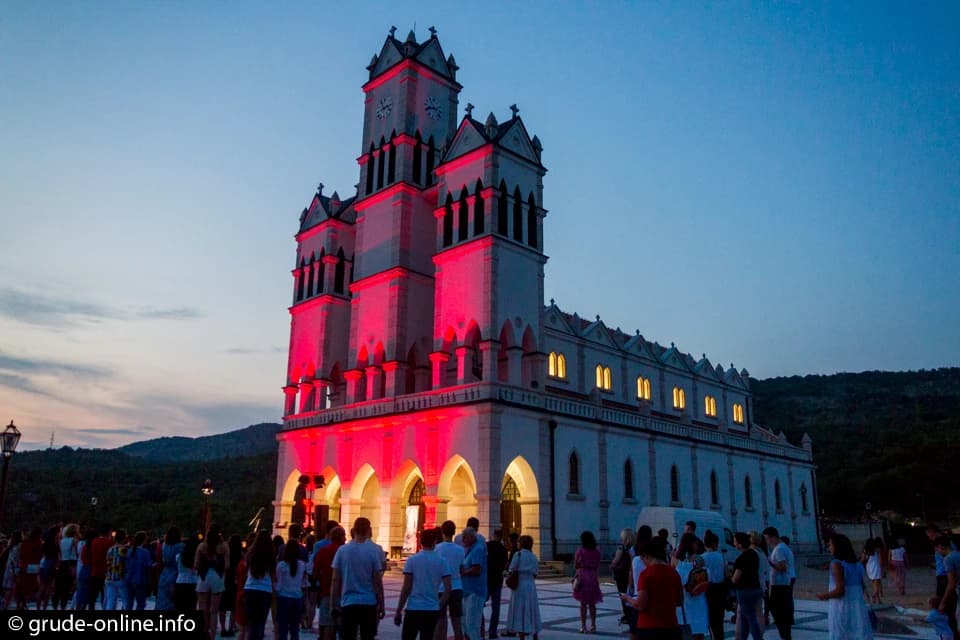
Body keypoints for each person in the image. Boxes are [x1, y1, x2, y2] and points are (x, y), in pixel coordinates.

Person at [330, 517, 386, 640]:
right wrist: (381, 604)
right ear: (368, 530)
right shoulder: (373, 551)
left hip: (348, 602)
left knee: (348, 636)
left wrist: (333, 604)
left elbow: (335, 580)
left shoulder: (342, 550)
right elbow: (377, 581)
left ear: (353, 530)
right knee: (367, 636)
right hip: (368, 602)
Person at [395, 528, 452, 640]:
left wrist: (398, 610)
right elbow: (448, 589)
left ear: (420, 541)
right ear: (435, 542)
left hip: (413, 608)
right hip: (431, 609)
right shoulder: (442, 561)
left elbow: (406, 588)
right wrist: (438, 605)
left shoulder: (412, 560)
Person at [621, 536, 683, 639]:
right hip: (671, 626)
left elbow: (640, 605)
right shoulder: (674, 573)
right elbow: (679, 601)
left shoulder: (646, 575)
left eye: (643, 559)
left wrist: (627, 598)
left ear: (647, 556)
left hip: (649, 627)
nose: (644, 563)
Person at [816, 534, 873, 640]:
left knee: (841, 634)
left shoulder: (836, 564)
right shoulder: (857, 565)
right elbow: (862, 588)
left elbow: (840, 591)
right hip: (857, 608)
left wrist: (824, 596)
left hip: (841, 607)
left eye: (831, 544)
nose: (829, 547)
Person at [196, 524, 230, 640]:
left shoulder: (202, 546)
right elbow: (227, 565)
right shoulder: (224, 546)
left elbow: (196, 564)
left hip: (203, 577)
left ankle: (204, 633)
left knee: (202, 609)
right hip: (218, 578)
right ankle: (212, 636)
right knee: (214, 611)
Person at [506, 535, 541, 639]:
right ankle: (535, 635)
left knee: (520, 610)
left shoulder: (518, 554)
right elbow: (535, 573)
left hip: (520, 585)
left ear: (521, 544)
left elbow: (511, 569)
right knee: (532, 609)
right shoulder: (533, 556)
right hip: (530, 585)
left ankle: (521, 635)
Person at [314, 526, 346, 640]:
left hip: (326, 592)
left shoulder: (323, 551)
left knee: (328, 624)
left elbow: (315, 572)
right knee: (344, 626)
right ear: (341, 537)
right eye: (344, 536)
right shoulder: (345, 552)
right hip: (344, 593)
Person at [435, 521, 465, 640]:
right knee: (457, 622)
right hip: (457, 587)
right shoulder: (460, 550)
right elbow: (462, 569)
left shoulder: (437, 548)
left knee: (440, 621)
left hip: (441, 588)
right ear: (454, 532)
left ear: (442, 532)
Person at [675, 533, 708, 640]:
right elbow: (709, 577)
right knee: (699, 633)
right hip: (699, 601)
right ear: (693, 544)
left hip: (686, 603)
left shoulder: (680, 564)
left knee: (688, 633)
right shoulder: (700, 561)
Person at [763, 527, 794, 640]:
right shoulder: (783, 547)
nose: (767, 542)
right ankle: (785, 635)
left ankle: (785, 635)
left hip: (780, 585)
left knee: (778, 611)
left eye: (767, 539)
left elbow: (782, 566)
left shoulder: (779, 549)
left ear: (773, 537)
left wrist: (769, 562)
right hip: (783, 584)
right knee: (780, 611)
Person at [244, 531, 277, 640]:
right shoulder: (271, 555)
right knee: (260, 622)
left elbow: (246, 569)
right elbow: (273, 575)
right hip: (265, 590)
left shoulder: (250, 554)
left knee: (251, 623)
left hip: (250, 588)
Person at [731, 532, 763, 640]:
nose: (734, 544)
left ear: (740, 544)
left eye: (735, 542)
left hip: (745, 590)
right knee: (745, 618)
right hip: (755, 588)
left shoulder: (742, 558)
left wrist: (728, 581)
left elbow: (736, 578)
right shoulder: (754, 554)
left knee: (750, 617)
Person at [276, 540, 308, 640]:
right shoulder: (302, 565)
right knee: (295, 629)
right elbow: (303, 582)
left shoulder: (281, 565)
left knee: (283, 628)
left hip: (283, 597)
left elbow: (278, 583)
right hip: (297, 597)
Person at [460, 527, 488, 640]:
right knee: (466, 624)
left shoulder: (478, 549)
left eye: (465, 537)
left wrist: (464, 572)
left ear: (471, 537)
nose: (462, 540)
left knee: (472, 624)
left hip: (475, 592)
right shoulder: (470, 550)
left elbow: (477, 569)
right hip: (468, 591)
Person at [573, 530, 603, 634]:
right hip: (593, 578)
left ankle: (583, 626)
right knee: (592, 604)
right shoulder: (597, 552)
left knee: (583, 604)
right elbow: (598, 565)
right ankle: (593, 625)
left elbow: (576, 565)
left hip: (583, 578)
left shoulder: (580, 551)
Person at [700, 530, 727, 640]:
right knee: (719, 620)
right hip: (720, 588)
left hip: (708, 589)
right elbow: (726, 573)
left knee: (711, 619)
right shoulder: (721, 556)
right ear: (716, 543)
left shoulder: (702, 557)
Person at [933, 536, 960, 638]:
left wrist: (943, 602)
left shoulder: (948, 559)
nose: (938, 552)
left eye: (937, 549)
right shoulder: (958, 554)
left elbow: (951, 584)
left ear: (940, 546)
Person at [487, 529, 509, 639]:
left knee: (480, 605)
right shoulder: (503, 549)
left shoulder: (487, 546)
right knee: (496, 607)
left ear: (493, 535)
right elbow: (505, 564)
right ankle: (492, 631)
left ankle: (480, 629)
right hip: (497, 580)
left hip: (487, 579)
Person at [612, 528, 636, 625]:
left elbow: (616, 561)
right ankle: (631, 614)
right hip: (630, 573)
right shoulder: (634, 548)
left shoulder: (622, 548)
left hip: (621, 574)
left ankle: (627, 615)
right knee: (631, 594)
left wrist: (613, 565)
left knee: (623, 595)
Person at [221, 534, 243, 637]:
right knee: (233, 607)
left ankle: (222, 628)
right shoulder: (240, 555)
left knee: (223, 607)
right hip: (236, 582)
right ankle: (231, 628)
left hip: (225, 580)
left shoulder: (226, 553)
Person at [157, 526, 183, 611]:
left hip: (164, 574)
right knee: (173, 601)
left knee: (162, 600)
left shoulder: (164, 545)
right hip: (175, 574)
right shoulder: (180, 546)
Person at [125, 531, 153, 610]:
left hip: (129, 579)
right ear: (144, 540)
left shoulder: (129, 551)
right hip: (140, 580)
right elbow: (147, 566)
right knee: (141, 603)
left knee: (129, 603)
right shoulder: (145, 552)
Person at [53, 523, 78, 610]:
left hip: (62, 562)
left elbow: (59, 553)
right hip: (71, 562)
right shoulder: (74, 541)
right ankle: (63, 604)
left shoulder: (61, 541)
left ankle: (56, 602)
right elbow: (77, 552)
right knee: (67, 586)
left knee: (59, 584)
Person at [103, 529, 128, 610]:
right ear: (124, 538)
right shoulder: (123, 549)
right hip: (120, 578)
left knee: (111, 602)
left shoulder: (110, 549)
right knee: (126, 601)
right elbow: (126, 563)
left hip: (109, 577)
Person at [174, 534, 200, 612]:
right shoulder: (198, 558)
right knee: (192, 607)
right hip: (194, 583)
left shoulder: (179, 556)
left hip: (180, 582)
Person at [863, 538, 883, 604]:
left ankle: (878, 599)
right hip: (876, 566)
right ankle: (874, 595)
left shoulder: (866, 551)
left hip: (869, 567)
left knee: (874, 583)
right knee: (876, 583)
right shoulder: (877, 550)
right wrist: (882, 568)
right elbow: (880, 560)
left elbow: (863, 560)